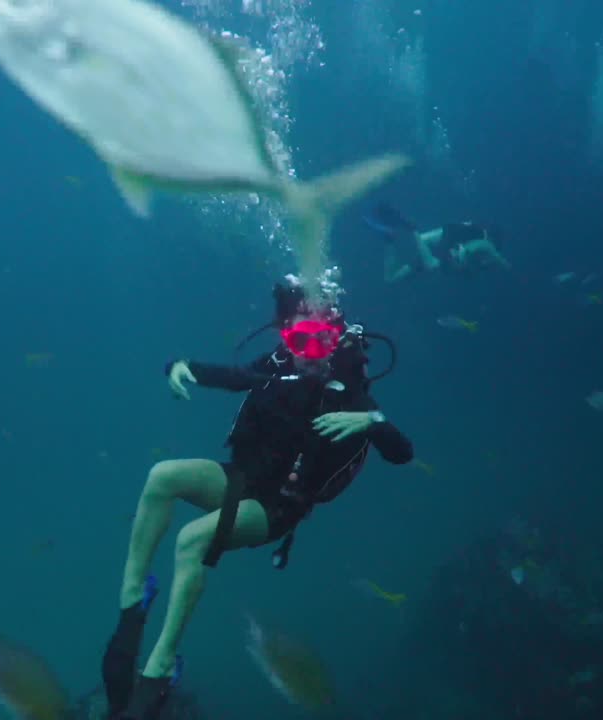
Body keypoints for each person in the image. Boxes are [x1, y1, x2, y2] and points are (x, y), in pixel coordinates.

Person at [100, 279, 415, 720]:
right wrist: (180, 365)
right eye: (296, 338)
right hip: (240, 478)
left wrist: (373, 420)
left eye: (320, 338)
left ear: (336, 333)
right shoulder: (280, 361)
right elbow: (236, 378)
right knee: (161, 476)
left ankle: (159, 667)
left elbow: (403, 453)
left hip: (277, 508)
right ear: (283, 333)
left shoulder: (348, 386)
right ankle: (133, 605)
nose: (309, 350)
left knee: (192, 539)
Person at [365, 203, 511, 283]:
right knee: (432, 265)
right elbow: (474, 248)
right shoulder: (485, 245)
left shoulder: (477, 244)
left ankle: (388, 239)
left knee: (390, 278)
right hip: (442, 244)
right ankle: (411, 227)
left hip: (438, 240)